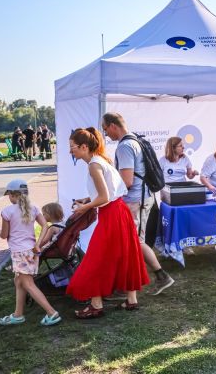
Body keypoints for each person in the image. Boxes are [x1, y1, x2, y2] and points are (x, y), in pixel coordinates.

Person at [66, 128, 149, 318]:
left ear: (84, 147)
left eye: (73, 147)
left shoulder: (94, 165)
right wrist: (87, 200)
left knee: (97, 258)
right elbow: (107, 193)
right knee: (125, 254)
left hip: (111, 214)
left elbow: (103, 197)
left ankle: (96, 305)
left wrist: (83, 208)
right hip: (119, 211)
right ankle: (131, 299)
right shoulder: (102, 160)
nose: (71, 151)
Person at [101, 112, 174, 295]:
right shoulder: (135, 140)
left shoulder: (125, 146)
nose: (105, 134)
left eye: (105, 129)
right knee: (131, 240)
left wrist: (106, 192)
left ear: (113, 126)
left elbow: (126, 181)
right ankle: (126, 281)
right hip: (141, 197)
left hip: (135, 200)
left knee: (136, 241)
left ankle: (161, 276)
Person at [0, 179, 62, 327]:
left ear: (13, 195)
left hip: (19, 252)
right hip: (32, 251)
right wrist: (38, 244)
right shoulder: (34, 208)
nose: (9, 198)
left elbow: (3, 234)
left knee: (28, 283)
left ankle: (52, 313)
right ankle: (18, 314)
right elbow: (45, 225)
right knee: (18, 281)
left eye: (9, 195)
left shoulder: (7, 211)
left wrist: (3, 234)